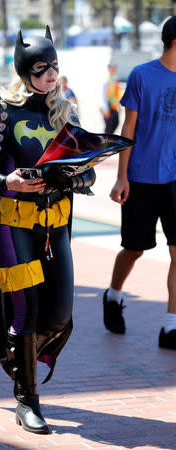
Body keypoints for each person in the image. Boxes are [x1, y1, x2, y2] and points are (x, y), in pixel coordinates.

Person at [0, 27, 96, 434]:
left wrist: (78, 176)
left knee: (60, 313)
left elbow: (83, 173)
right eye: (42, 67)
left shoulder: (66, 112)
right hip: (10, 223)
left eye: (55, 66)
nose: (51, 74)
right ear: (24, 71)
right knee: (28, 309)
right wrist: (7, 182)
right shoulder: (3, 111)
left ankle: (15, 354)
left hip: (55, 227)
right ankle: (27, 399)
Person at [102, 15, 176, 350]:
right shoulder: (142, 75)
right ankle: (114, 295)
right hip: (142, 178)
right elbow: (128, 129)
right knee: (134, 249)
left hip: (175, 180)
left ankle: (171, 327)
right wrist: (121, 177)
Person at [101, 63, 122, 134]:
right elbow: (103, 96)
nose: (113, 69)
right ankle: (105, 143)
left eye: (114, 67)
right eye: (112, 67)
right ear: (109, 69)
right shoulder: (106, 80)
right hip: (108, 107)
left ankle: (108, 140)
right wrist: (106, 109)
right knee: (109, 129)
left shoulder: (115, 79)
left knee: (116, 123)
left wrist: (119, 106)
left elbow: (117, 94)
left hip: (114, 107)